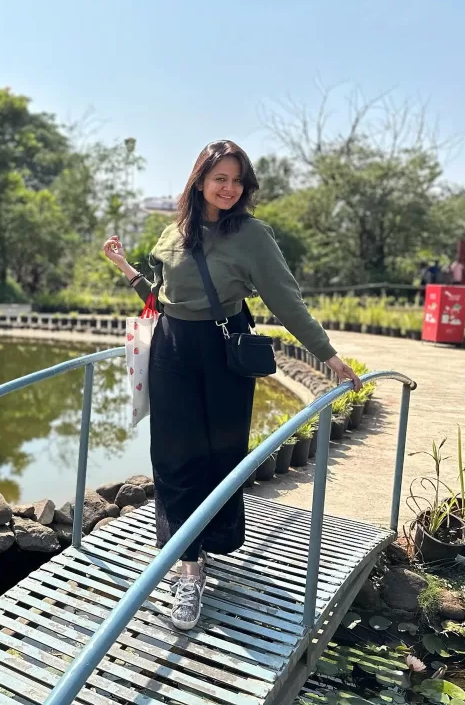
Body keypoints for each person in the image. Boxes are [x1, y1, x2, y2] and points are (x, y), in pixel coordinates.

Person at [102, 140, 361, 631]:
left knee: (221, 455)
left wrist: (327, 354)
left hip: (225, 350)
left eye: (237, 180)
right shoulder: (173, 233)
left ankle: (209, 540)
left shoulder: (252, 235)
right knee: (174, 457)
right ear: (199, 180)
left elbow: (286, 300)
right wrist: (126, 269)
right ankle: (188, 566)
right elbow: (161, 298)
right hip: (173, 350)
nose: (229, 188)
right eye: (220, 177)